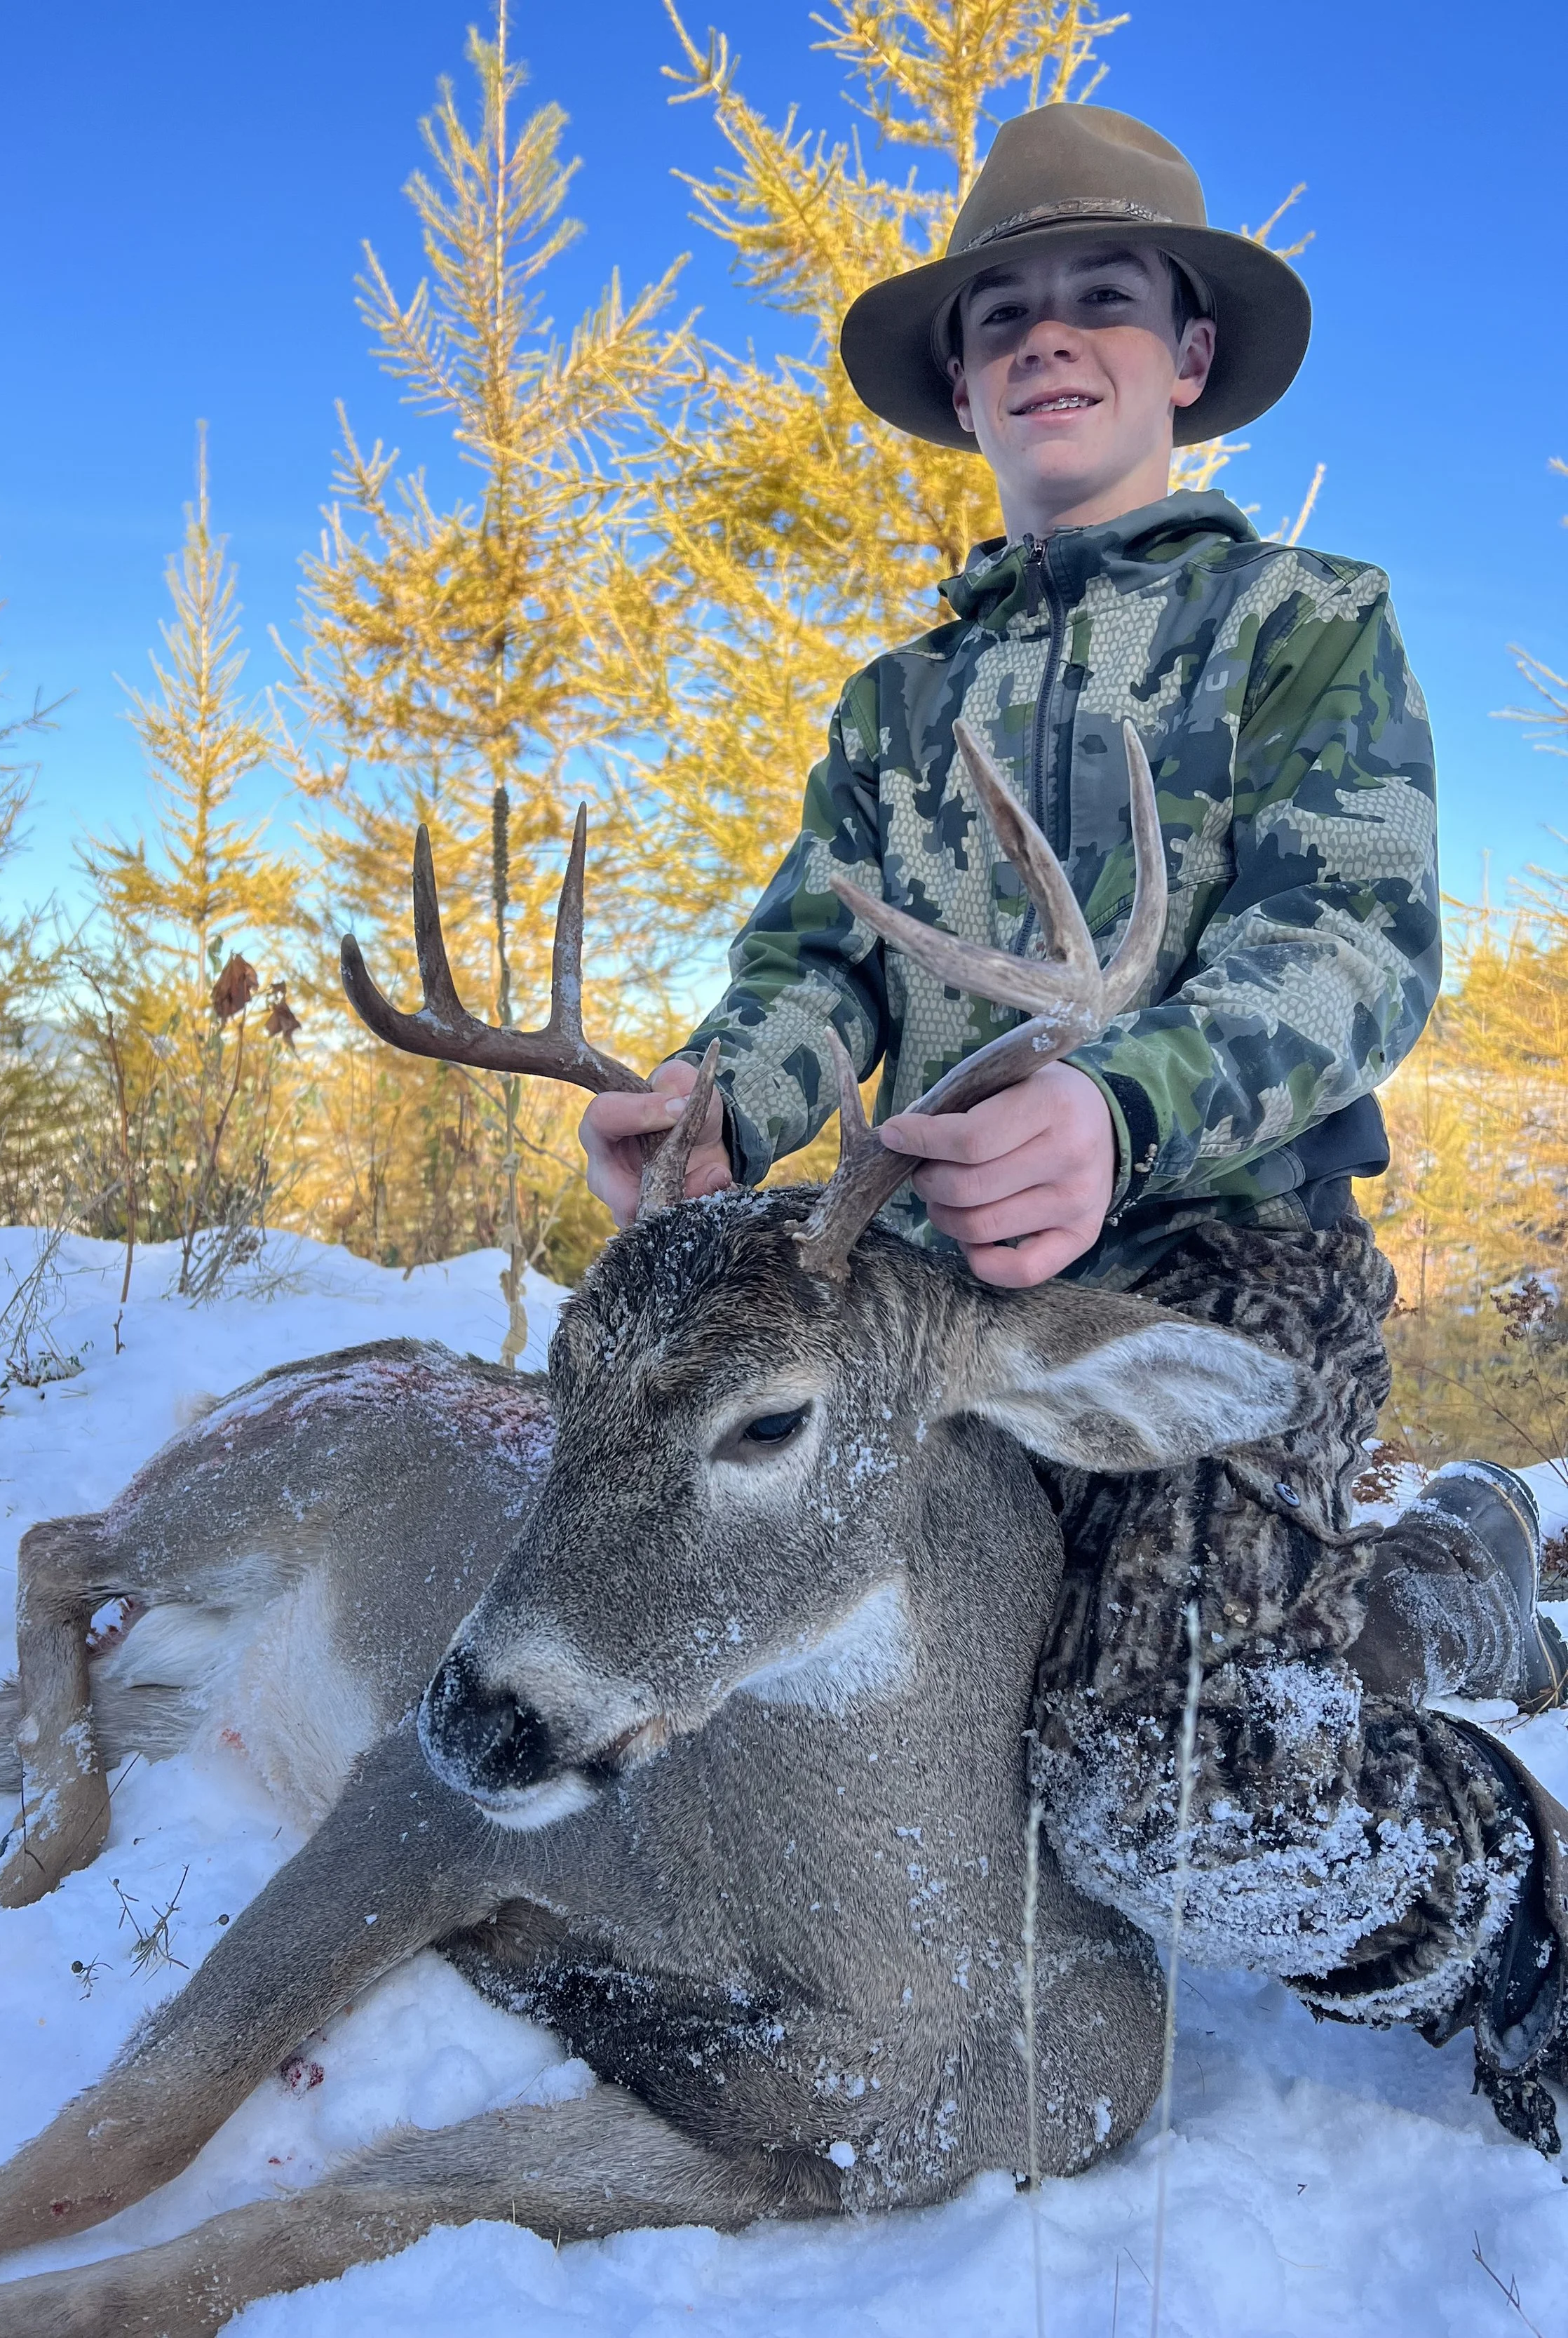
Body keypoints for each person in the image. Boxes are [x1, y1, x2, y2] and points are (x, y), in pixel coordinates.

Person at [581, 104, 1568, 2146]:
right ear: (958, 381)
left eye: (1098, 299)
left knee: (1168, 1788)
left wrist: (1120, 1112)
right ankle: (1445, 1584)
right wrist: (715, 1100)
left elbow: (1351, 949)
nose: (1047, 337)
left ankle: (1522, 1911)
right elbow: (814, 971)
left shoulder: (1302, 625)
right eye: (1000, 313)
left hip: (1220, 1261)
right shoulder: (889, 707)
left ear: (1183, 354)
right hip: (927, 1297)